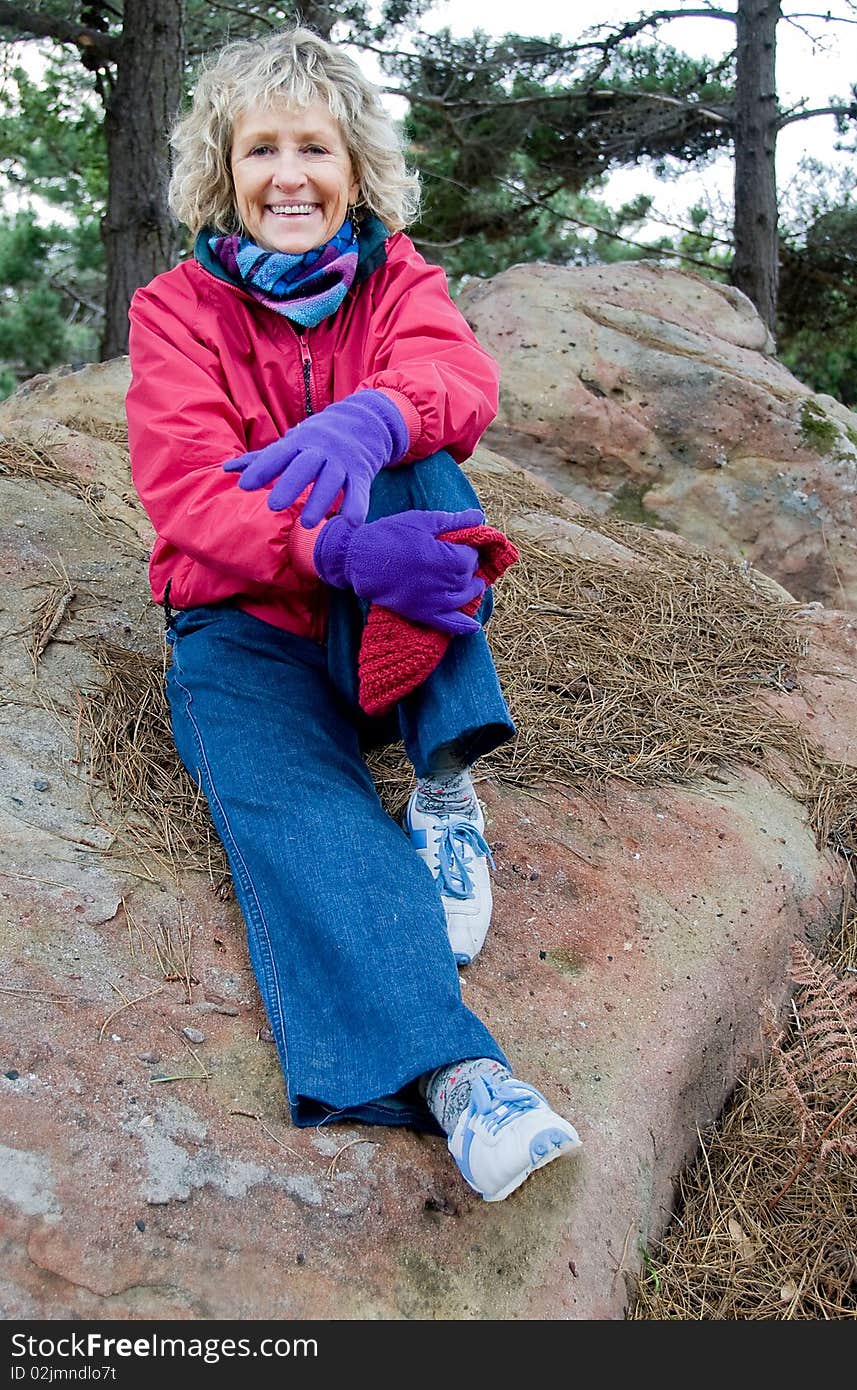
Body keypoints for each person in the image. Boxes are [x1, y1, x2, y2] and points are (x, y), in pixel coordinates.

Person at [125, 25, 581, 1203]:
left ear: (353, 166)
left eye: (313, 149)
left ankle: (442, 781)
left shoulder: (396, 278)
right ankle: (457, 1075)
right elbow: (183, 491)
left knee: (421, 461)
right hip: (244, 626)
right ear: (223, 172)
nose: (290, 176)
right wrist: (327, 545)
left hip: (388, 641)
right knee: (294, 815)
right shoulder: (175, 309)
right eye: (261, 149)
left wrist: (376, 421)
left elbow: (458, 380)